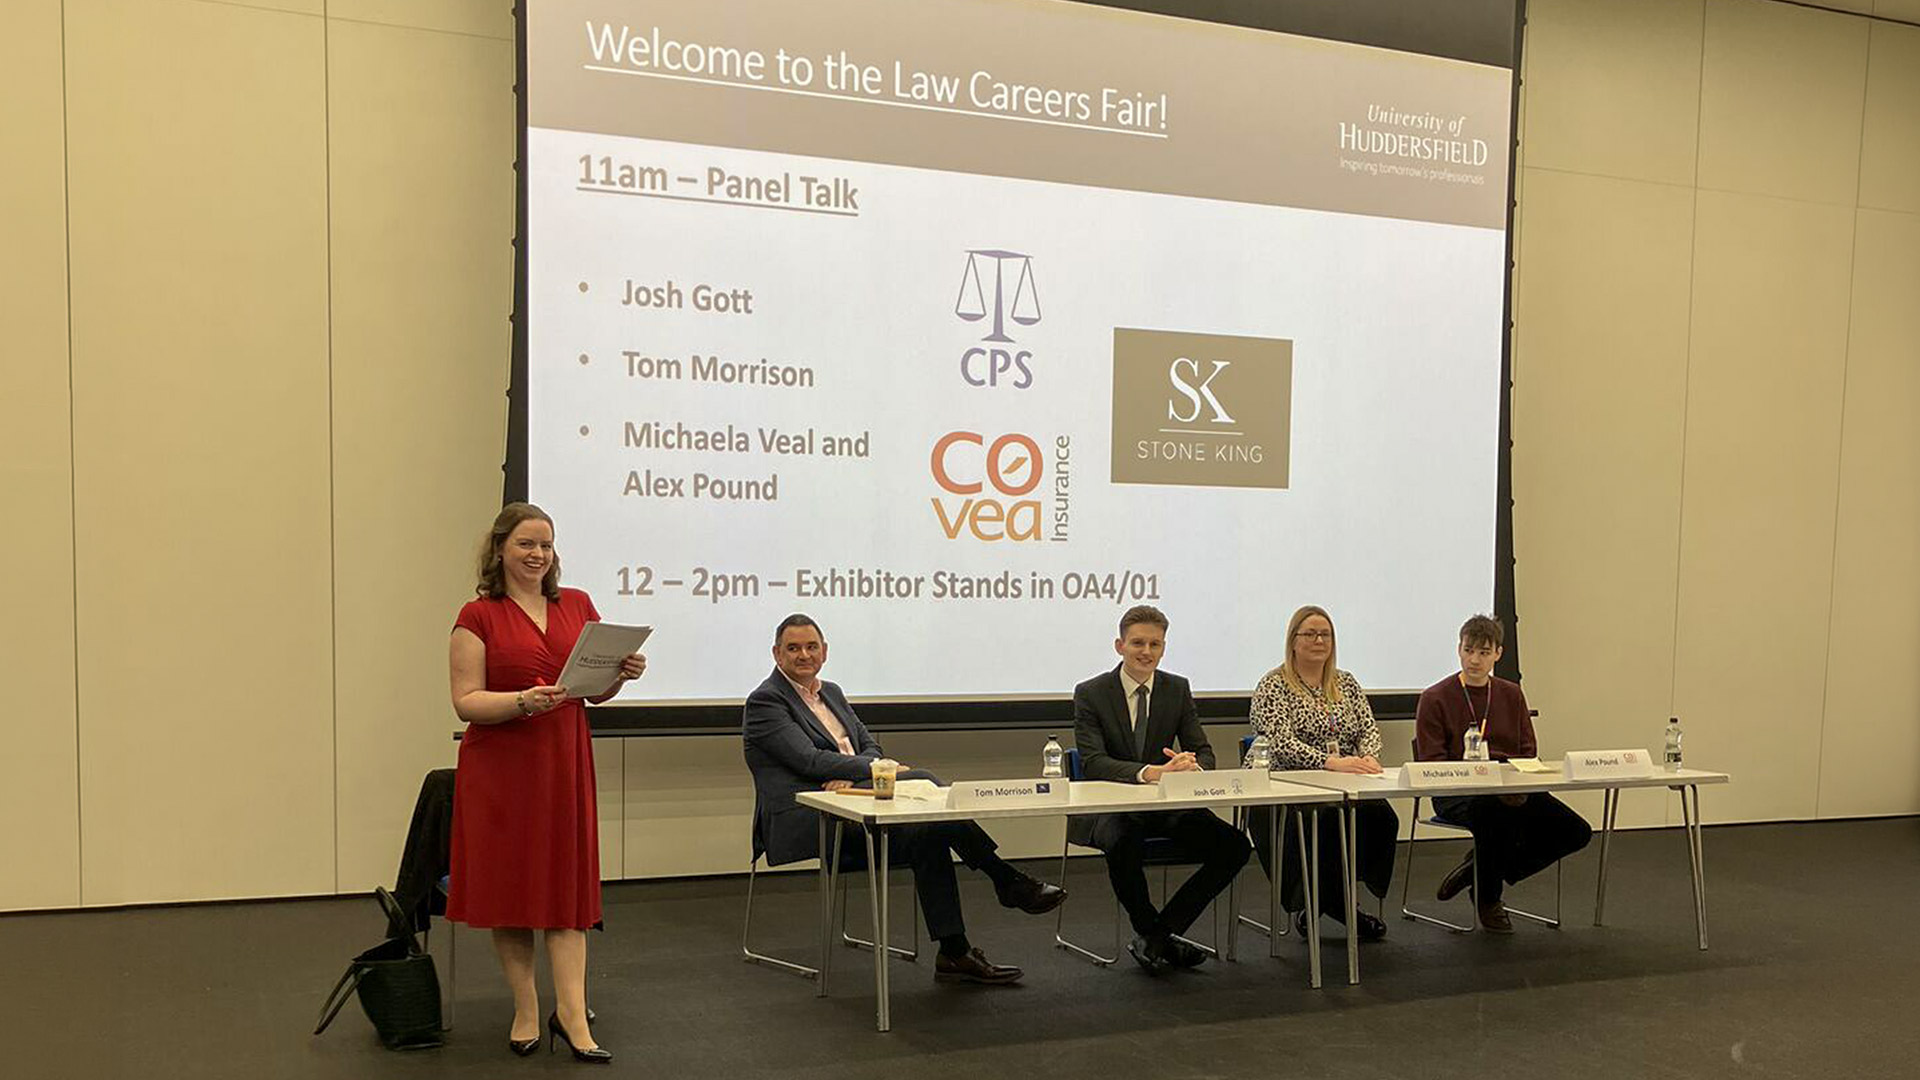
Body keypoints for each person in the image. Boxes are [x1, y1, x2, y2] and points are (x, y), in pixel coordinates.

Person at [742, 614, 1066, 985]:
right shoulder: (766, 701)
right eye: (793, 648)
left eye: (811, 646)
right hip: (808, 818)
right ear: (776, 654)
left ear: (825, 652)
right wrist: (873, 770)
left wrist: (860, 774)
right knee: (925, 779)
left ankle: (954, 952)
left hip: (859, 803)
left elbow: (870, 744)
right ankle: (1005, 879)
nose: (804, 655)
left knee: (929, 833)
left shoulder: (830, 692)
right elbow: (808, 760)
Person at [446, 502, 645, 1062]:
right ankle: (527, 1009)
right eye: (527, 544)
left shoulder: (577, 604)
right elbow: (466, 700)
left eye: (547, 545)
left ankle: (573, 1017)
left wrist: (620, 676)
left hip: (563, 760)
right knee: (511, 893)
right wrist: (521, 701)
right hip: (502, 766)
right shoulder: (477, 615)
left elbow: (594, 687)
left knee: (567, 894)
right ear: (501, 549)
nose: (538, 555)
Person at [1070, 605, 1252, 973]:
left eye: (1155, 644)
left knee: (1234, 846)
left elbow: (1203, 751)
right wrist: (1149, 772)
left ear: (1164, 648)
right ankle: (1155, 935)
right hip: (1112, 807)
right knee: (1124, 840)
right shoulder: (1091, 693)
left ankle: (1158, 935)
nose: (1146, 651)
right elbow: (1092, 761)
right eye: (1138, 643)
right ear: (1119, 645)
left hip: (1167, 807)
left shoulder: (1176, 688)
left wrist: (1191, 767)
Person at [1414, 614, 1593, 933]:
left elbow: (1528, 751)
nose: (1474, 660)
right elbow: (1432, 764)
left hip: (1512, 787)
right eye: (1469, 650)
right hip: (1458, 793)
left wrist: (1518, 784)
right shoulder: (1435, 697)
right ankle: (1488, 897)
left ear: (1498, 654)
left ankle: (1479, 870)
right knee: (1495, 812)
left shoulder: (1511, 694)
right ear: (1458, 650)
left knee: (1576, 831)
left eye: (1484, 652)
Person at [1247, 604, 1398, 942]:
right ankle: (1337, 906)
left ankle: (1327, 899)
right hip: (1284, 784)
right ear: (1293, 641)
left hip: (1342, 780)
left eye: (1325, 634)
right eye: (1310, 634)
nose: (1319, 640)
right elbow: (1279, 741)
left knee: (1383, 818)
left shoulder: (1346, 683)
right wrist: (1329, 762)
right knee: (1327, 822)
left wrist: (1369, 756)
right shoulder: (1273, 685)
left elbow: (1368, 729)